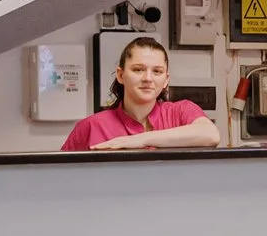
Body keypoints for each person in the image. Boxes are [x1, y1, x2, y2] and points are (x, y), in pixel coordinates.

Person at [61, 36, 223, 151]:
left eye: (157, 71)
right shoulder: (91, 126)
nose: (148, 78)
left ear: (166, 80)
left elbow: (211, 135)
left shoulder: (181, 112)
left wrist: (139, 140)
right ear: (120, 75)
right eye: (138, 70)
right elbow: (58, 178)